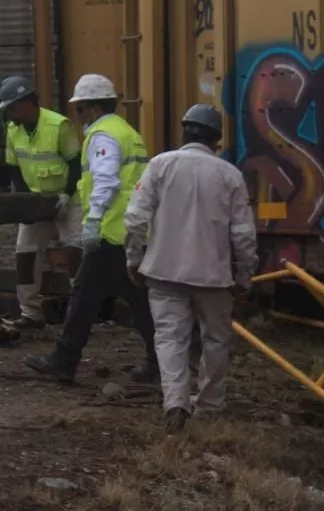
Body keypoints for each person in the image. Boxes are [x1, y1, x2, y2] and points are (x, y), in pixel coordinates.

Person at [124, 103, 257, 433]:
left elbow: (136, 218)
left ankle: (175, 402)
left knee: (169, 338)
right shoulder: (230, 176)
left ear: (184, 132)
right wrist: (244, 275)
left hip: (164, 271)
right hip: (214, 276)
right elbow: (243, 234)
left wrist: (134, 258)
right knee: (215, 339)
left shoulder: (160, 165)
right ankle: (209, 404)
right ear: (217, 141)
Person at [25, 74, 156, 383]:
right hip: (133, 230)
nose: (78, 117)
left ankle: (64, 359)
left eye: (80, 110)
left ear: (94, 109)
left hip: (111, 233)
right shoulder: (127, 132)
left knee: (84, 296)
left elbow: (107, 180)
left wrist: (94, 220)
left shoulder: (103, 135)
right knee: (141, 301)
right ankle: (161, 362)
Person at [0, 76, 83, 329]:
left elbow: (75, 164)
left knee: (75, 252)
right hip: (37, 200)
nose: (9, 113)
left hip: (66, 200)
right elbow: (14, 167)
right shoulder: (13, 130)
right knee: (25, 254)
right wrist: (26, 201)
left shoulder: (58, 126)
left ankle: (80, 313)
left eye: (12, 107)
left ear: (27, 104)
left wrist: (67, 194)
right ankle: (30, 312)